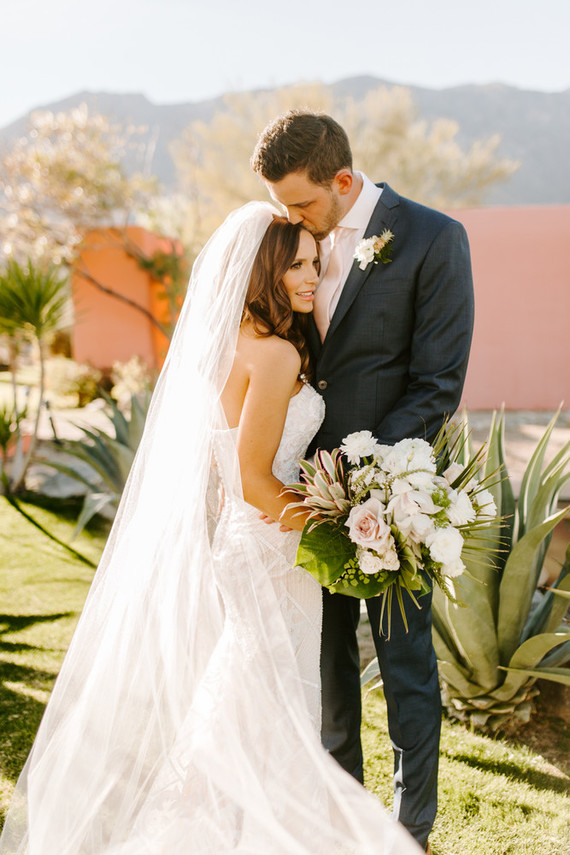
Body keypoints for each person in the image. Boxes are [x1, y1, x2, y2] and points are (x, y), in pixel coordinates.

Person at [0, 202, 421, 854]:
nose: (315, 276)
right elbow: (255, 479)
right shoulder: (277, 354)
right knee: (275, 704)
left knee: (246, 695)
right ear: (266, 272)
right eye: (301, 265)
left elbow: (234, 476)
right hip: (272, 547)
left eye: (318, 262)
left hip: (242, 542)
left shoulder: (228, 347)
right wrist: (345, 531)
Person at [251, 110, 475, 852]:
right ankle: (340, 813)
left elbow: (436, 383)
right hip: (304, 497)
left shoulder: (435, 239)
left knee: (406, 662)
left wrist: (363, 476)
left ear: (343, 181)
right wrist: (311, 486)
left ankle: (411, 828)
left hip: (389, 492)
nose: (291, 220)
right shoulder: (296, 247)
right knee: (328, 658)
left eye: (303, 204)